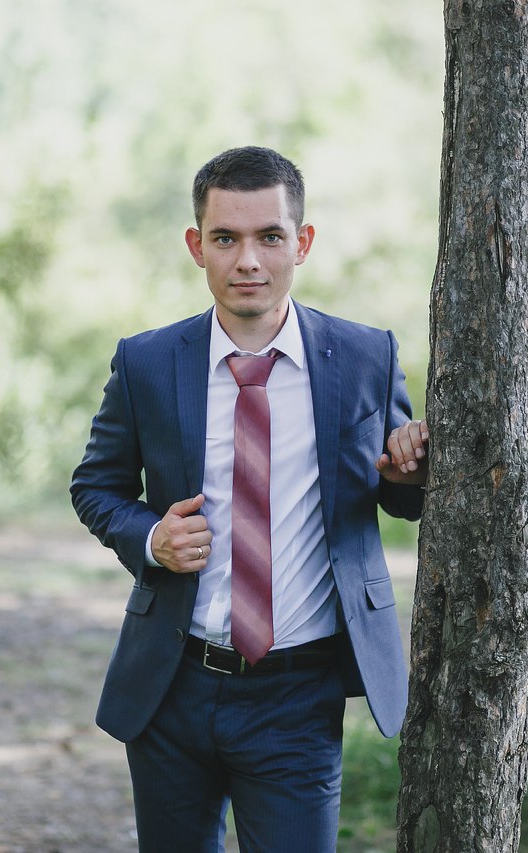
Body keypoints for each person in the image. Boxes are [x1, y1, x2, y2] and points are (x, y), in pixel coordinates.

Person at [70, 146, 429, 853]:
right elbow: (96, 486)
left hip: (298, 696)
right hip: (172, 685)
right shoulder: (147, 362)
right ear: (196, 246)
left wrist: (408, 473)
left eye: (269, 237)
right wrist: (151, 539)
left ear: (302, 242)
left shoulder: (366, 357)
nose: (248, 261)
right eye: (226, 239)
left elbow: (401, 497)